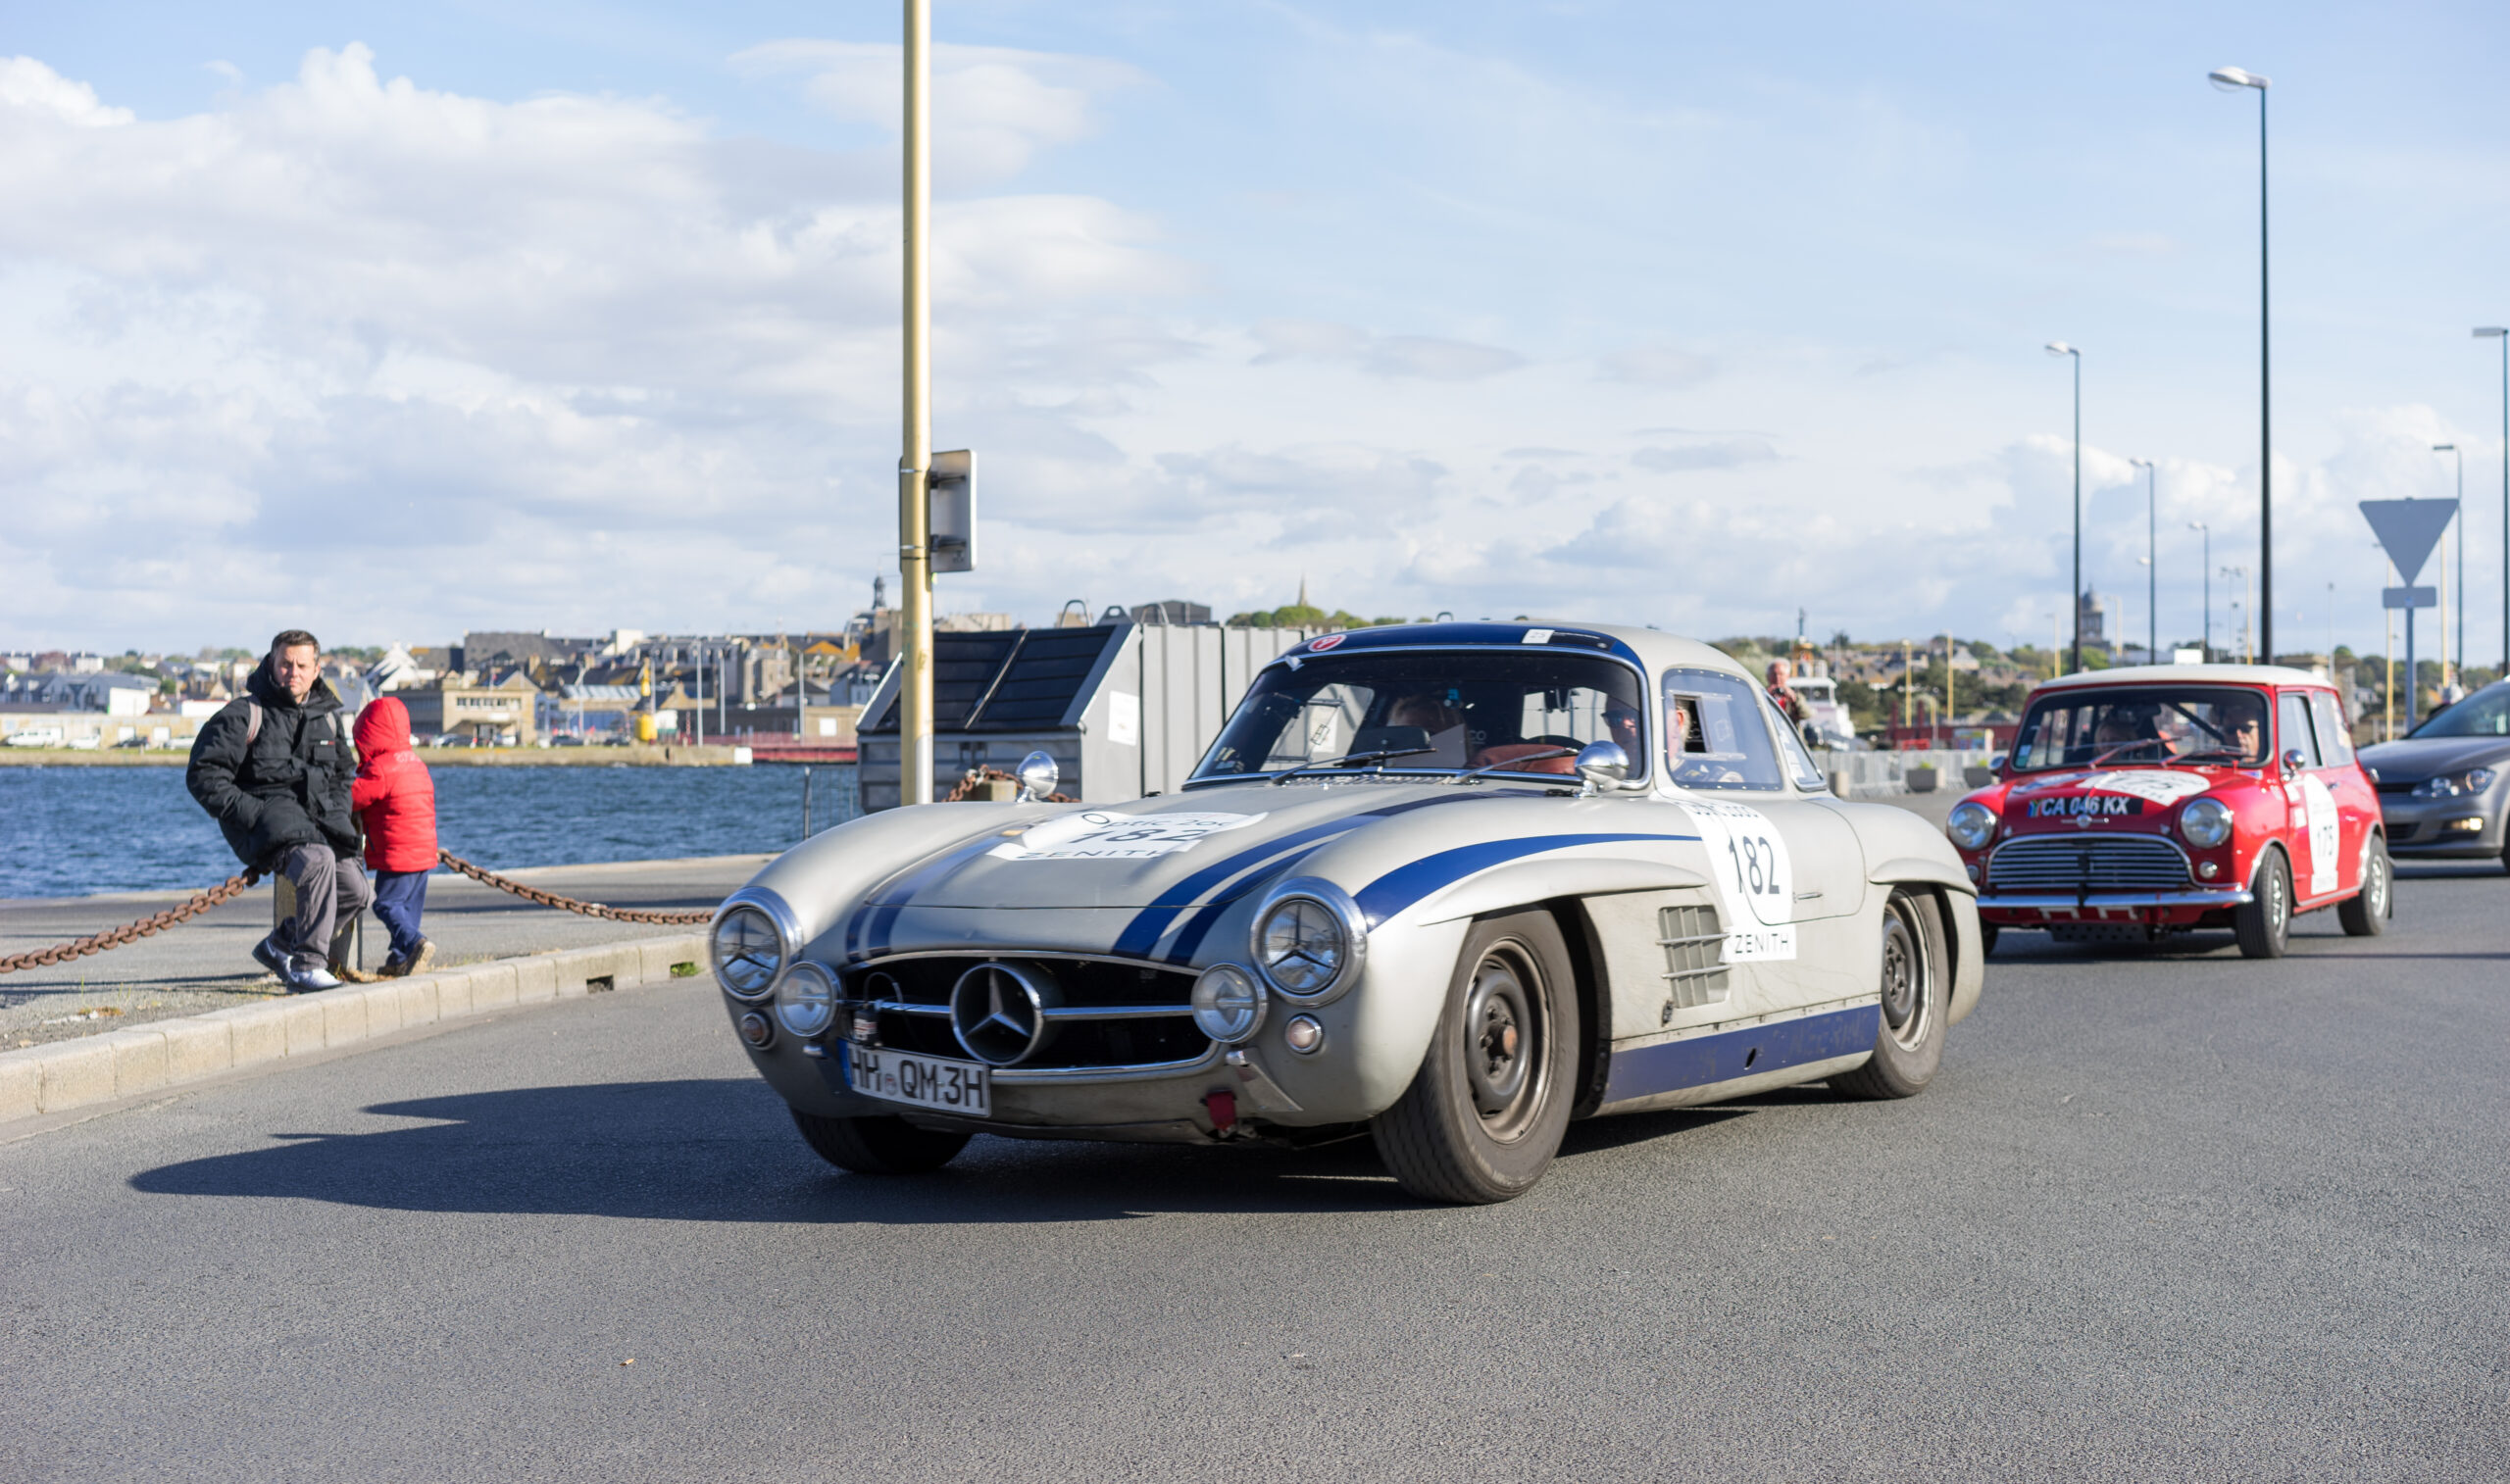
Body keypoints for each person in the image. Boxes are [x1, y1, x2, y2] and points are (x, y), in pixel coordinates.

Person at [185, 629, 372, 992]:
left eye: (302, 665)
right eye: (285, 663)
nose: (293, 672)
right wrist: (253, 814)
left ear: (316, 670)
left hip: (320, 823)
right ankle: (307, 966)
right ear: (272, 663)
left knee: (357, 890)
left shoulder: (328, 717)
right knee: (318, 862)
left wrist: (336, 809)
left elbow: (342, 772)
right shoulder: (245, 713)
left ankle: (280, 945)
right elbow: (203, 774)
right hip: (266, 825)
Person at [351, 695, 439, 977]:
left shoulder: (381, 768)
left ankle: (415, 943)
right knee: (409, 908)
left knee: (386, 903)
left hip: (397, 853)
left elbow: (354, 798)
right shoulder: (416, 763)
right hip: (424, 851)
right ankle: (400, 959)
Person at [1765, 659, 1809, 727]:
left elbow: (1807, 714)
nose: (1777, 677)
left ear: (1787, 676)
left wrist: (1794, 700)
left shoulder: (1796, 696)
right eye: (1774, 674)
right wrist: (1765, 695)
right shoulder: (1759, 694)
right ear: (1767, 676)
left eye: (1781, 674)